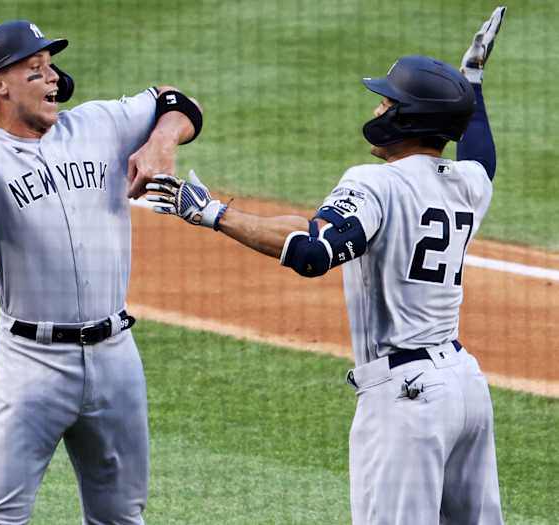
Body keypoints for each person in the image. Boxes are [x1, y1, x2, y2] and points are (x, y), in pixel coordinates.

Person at [145, 7, 506, 524]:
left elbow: (313, 251)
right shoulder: (466, 184)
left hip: (406, 400)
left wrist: (211, 212)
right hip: (466, 386)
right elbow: (482, 155)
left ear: (408, 118)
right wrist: (472, 82)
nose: (380, 109)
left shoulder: (376, 182)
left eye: (389, 102)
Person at [0, 15, 202, 525]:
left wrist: (163, 140)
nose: (53, 78)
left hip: (116, 357)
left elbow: (177, 101)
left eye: (52, 66)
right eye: (35, 69)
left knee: (121, 517)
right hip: (31, 366)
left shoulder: (98, 124)